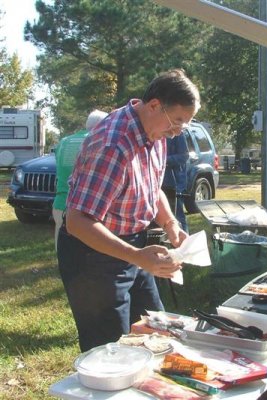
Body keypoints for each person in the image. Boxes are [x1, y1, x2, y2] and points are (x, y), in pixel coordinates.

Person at [57, 69, 200, 352]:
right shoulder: (113, 145)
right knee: (110, 349)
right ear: (155, 105)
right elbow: (78, 221)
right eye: (178, 121)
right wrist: (136, 256)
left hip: (131, 246)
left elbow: (151, 186)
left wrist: (170, 223)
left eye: (186, 125)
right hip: (91, 256)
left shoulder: (155, 132)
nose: (178, 131)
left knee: (154, 332)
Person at [52, 110, 108, 250]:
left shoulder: (64, 141)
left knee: (62, 244)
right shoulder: (98, 140)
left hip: (60, 202)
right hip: (84, 208)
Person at [162, 133, 189, 232]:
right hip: (159, 184)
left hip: (175, 183)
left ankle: (185, 244)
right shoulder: (156, 132)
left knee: (178, 216)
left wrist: (164, 160)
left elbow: (184, 156)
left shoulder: (178, 133)